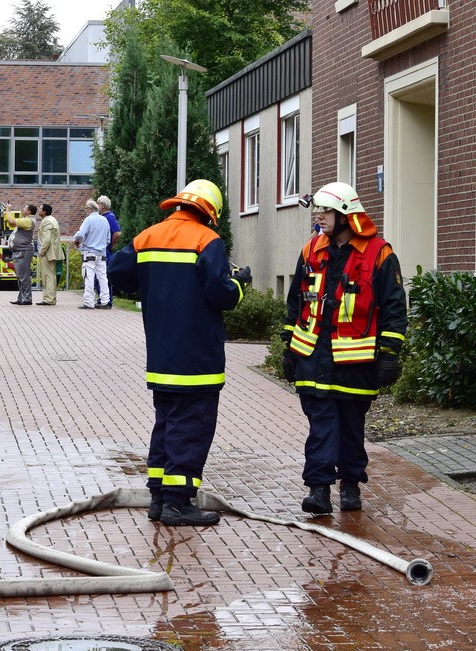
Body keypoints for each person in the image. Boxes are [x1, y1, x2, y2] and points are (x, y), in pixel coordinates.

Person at [108, 179, 252, 526]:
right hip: (198, 355)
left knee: (167, 422)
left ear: (180, 204)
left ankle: (159, 497)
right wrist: (239, 284)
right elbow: (221, 295)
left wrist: (152, 283)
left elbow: (116, 272)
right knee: (192, 427)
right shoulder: (207, 240)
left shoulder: (149, 236)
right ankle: (177, 503)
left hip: (161, 355)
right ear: (209, 212)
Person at [282, 182, 407, 515]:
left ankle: (350, 485)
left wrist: (389, 355)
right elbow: (296, 302)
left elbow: (394, 307)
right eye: (318, 210)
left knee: (351, 427)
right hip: (312, 357)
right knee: (321, 427)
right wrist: (287, 347)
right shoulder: (311, 251)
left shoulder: (379, 253)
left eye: (325, 211)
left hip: (356, 362)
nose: (319, 216)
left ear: (345, 215)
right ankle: (319, 490)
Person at [73, 199, 111, 310]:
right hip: (102, 253)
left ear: (90, 208)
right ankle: (105, 301)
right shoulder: (104, 220)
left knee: (89, 276)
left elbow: (80, 234)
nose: (85, 210)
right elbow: (108, 239)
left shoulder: (88, 220)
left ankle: (89, 302)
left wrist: (77, 241)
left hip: (89, 252)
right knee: (103, 277)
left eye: (86, 208)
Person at [5, 203, 36, 305]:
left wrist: (8, 210)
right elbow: (12, 224)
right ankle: (21, 298)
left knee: (23, 276)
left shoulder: (28, 220)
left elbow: (11, 221)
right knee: (20, 275)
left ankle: (26, 299)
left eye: (25, 208)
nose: (23, 209)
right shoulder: (26, 220)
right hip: (20, 250)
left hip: (23, 251)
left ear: (29, 211)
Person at [35, 204, 64, 306]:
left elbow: (46, 239)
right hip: (52, 252)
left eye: (40, 208)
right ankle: (51, 298)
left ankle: (49, 299)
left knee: (48, 276)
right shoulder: (52, 219)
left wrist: (41, 252)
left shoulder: (47, 221)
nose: (38, 209)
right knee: (51, 275)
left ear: (44, 211)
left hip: (48, 253)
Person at [97, 195, 123, 308]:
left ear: (102, 206)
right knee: (100, 276)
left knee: (103, 276)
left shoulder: (109, 217)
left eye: (98, 203)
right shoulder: (104, 217)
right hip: (103, 250)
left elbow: (117, 233)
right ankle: (102, 299)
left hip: (105, 251)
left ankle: (107, 300)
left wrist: (110, 245)